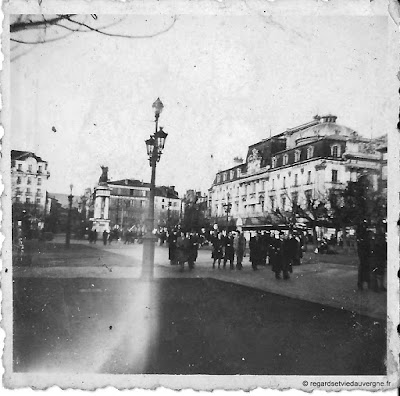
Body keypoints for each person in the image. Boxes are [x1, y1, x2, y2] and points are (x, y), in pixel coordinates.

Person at [356, 225, 371, 290]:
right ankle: (362, 283)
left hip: (364, 254)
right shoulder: (363, 239)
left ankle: (362, 283)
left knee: (364, 269)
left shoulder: (361, 239)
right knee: (364, 269)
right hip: (364, 255)